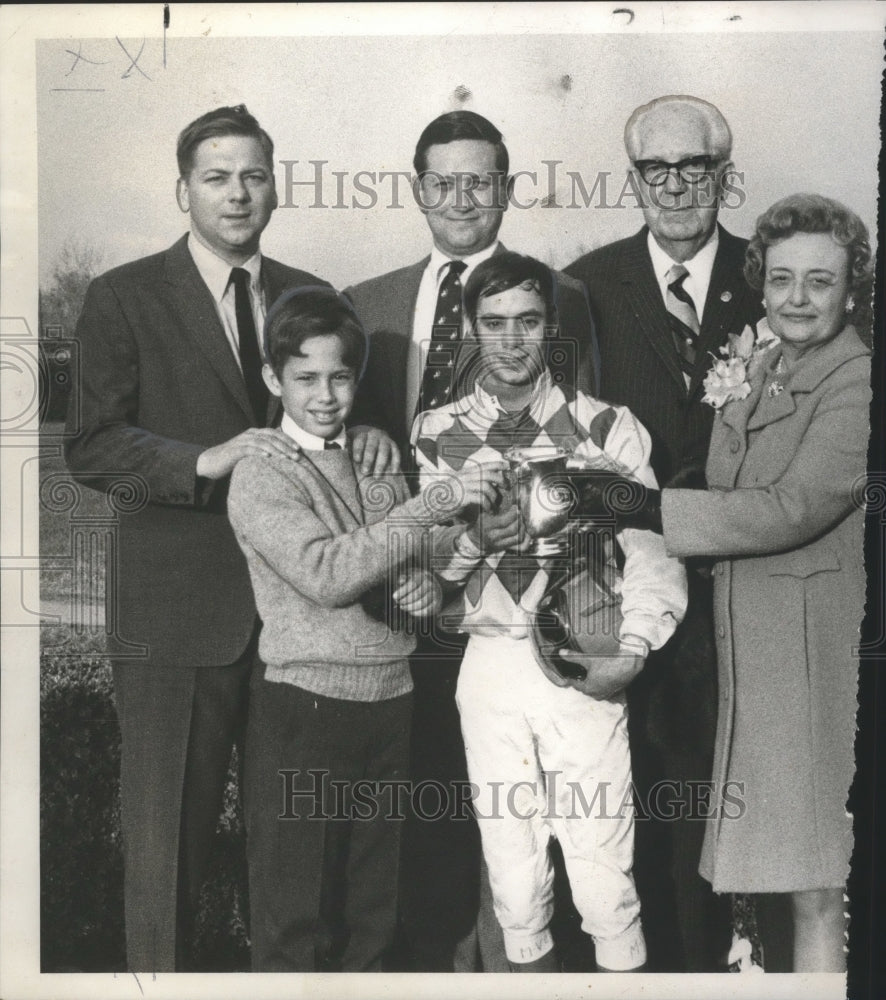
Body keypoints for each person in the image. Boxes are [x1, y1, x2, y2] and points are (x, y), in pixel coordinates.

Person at [63, 105, 395, 971]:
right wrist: (201, 460)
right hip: (180, 620)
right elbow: (91, 450)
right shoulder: (124, 296)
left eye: (253, 174)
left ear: (275, 185)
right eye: (217, 176)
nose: (237, 193)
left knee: (299, 863)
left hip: (301, 634)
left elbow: (334, 412)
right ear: (183, 191)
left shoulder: (312, 294)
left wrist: (368, 435)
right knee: (167, 851)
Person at [575, 194, 872, 972]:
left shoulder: (859, 383)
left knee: (814, 879)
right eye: (781, 280)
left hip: (812, 657)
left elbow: (792, 507)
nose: (798, 299)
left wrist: (646, 506)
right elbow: (721, 473)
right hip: (756, 654)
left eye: (819, 281)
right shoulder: (765, 365)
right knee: (779, 871)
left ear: (853, 289)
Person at [345, 111, 598, 971]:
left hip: (516, 597)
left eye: (480, 181)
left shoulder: (560, 300)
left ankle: (518, 972)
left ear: (508, 189)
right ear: (418, 191)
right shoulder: (370, 305)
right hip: (404, 598)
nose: (461, 198)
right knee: (424, 807)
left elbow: (582, 445)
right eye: (443, 182)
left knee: (521, 813)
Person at [411, 251, 687, 972]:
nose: (510, 339)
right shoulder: (439, 432)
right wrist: (475, 537)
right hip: (491, 665)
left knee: (603, 879)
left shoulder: (605, 427)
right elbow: (427, 573)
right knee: (514, 879)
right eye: (493, 322)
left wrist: (632, 648)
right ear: (471, 329)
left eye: (527, 321)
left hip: (582, 658)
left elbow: (654, 550)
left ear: (551, 327)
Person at [226, 286, 503, 971]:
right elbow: (327, 573)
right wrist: (434, 504)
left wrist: (421, 587)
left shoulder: (375, 459)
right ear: (273, 379)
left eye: (341, 377)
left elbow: (400, 563)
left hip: (390, 703)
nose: (325, 395)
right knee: (299, 920)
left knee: (374, 918)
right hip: (307, 710)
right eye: (306, 378)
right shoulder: (260, 474)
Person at [564, 94, 764, 970]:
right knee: (632, 811)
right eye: (657, 170)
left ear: (724, 172)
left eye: (696, 167)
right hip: (631, 589)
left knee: (740, 817)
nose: (677, 187)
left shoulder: (774, 275)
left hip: (753, 589)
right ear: (633, 177)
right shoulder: (587, 285)